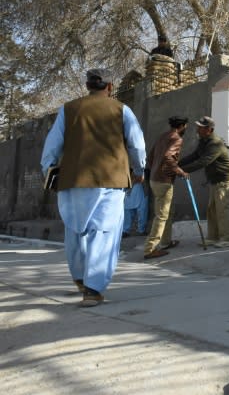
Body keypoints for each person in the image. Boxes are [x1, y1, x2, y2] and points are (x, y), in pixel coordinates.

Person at [41, 68, 146, 307]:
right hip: (110, 180)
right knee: (104, 233)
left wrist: (48, 171)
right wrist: (138, 172)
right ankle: (93, 288)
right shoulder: (122, 110)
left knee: (75, 230)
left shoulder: (68, 109)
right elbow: (137, 146)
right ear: (110, 87)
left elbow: (51, 146)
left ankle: (79, 278)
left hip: (72, 180)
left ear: (88, 86)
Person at [179, 116, 229, 248]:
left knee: (222, 209)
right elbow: (195, 156)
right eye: (198, 127)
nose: (197, 130)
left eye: (200, 127)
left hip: (223, 180)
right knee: (212, 209)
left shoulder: (215, 143)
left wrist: (181, 170)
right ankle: (213, 237)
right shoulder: (203, 141)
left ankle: (227, 238)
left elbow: (203, 162)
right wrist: (178, 164)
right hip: (214, 179)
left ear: (209, 129)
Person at [143, 116, 190, 259]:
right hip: (164, 181)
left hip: (154, 179)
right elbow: (168, 157)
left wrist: (155, 171)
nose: (186, 129)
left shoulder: (162, 137)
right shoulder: (177, 139)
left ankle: (166, 241)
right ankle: (150, 249)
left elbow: (150, 157)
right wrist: (181, 172)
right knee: (162, 216)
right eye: (186, 126)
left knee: (168, 212)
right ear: (181, 126)